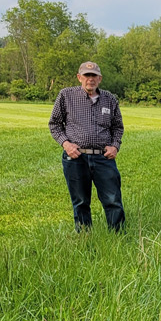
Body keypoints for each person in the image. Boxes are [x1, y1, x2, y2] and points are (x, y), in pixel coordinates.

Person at [48, 61, 126, 231]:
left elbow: (118, 127)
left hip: (103, 157)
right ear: (79, 77)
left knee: (113, 199)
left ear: (100, 79)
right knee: (81, 201)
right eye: (86, 75)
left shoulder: (110, 99)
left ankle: (119, 236)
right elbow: (54, 124)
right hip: (76, 158)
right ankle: (84, 236)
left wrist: (115, 146)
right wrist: (66, 144)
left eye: (94, 76)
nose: (90, 79)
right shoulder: (66, 96)